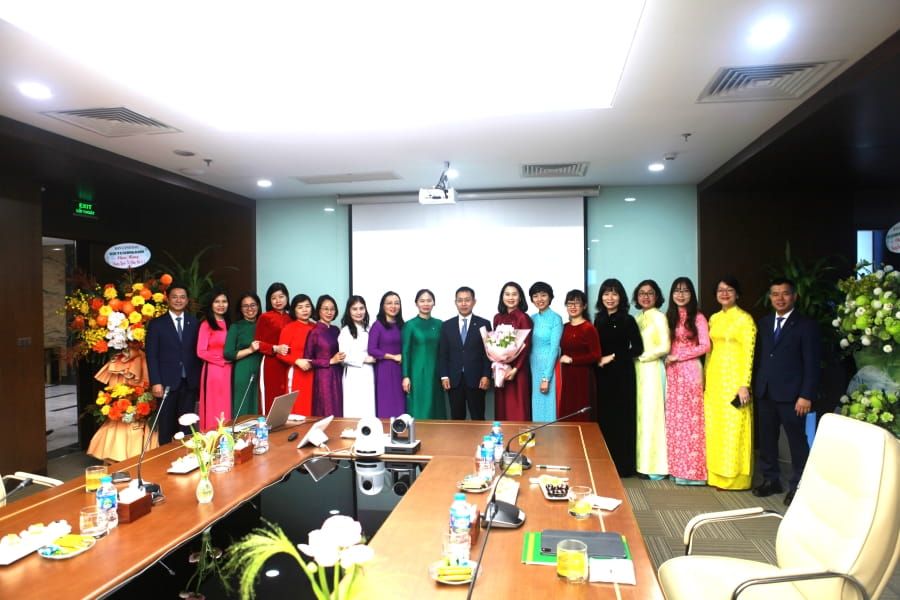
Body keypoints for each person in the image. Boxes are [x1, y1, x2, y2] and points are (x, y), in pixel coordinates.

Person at [753, 278, 821, 505]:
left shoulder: (806, 325)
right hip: (766, 392)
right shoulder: (764, 323)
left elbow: (812, 363)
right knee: (767, 440)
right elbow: (761, 357)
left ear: (794, 296)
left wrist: (806, 395)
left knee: (797, 442)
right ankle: (771, 480)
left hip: (793, 396)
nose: (780, 298)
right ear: (770, 297)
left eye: (784, 293)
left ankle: (799, 485)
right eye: (775, 294)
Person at [704, 276, 757, 491]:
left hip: (735, 382)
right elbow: (709, 352)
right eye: (720, 290)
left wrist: (744, 384)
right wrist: (705, 379)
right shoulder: (714, 318)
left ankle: (735, 479)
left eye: (729, 290)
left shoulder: (745, 319)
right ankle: (716, 476)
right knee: (715, 429)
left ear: (737, 294)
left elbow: (749, 353)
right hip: (715, 381)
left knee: (734, 429)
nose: (724, 294)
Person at [593, 278, 643, 477]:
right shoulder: (598, 319)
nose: (610, 298)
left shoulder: (628, 320)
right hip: (602, 375)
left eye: (614, 294)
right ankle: (605, 464)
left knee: (622, 420)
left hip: (622, 375)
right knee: (604, 419)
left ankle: (623, 467)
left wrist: (612, 356)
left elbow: (637, 349)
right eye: (606, 294)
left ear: (621, 297)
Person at [663, 277, 710, 485]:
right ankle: (677, 469)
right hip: (672, 373)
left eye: (685, 291)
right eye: (677, 290)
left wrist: (679, 356)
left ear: (692, 294)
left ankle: (694, 473)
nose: (680, 295)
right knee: (676, 422)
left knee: (692, 423)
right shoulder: (670, 316)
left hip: (690, 371)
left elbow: (705, 346)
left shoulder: (698, 317)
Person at [145, 281, 202, 444]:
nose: (179, 300)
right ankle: (165, 457)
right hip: (166, 384)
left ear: (187, 300)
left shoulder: (194, 323)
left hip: (189, 383)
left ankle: (187, 454)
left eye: (182, 297)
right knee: (166, 425)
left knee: (187, 426)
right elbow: (152, 355)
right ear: (168, 299)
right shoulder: (157, 324)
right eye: (175, 297)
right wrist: (156, 382)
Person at [633, 279, 671, 479]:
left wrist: (642, 357)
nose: (645, 297)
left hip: (652, 370)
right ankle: (641, 464)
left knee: (653, 417)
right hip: (637, 370)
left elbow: (665, 346)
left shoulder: (659, 317)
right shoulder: (638, 317)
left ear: (657, 296)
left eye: (650, 293)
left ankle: (655, 467)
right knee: (641, 417)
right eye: (642, 293)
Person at [438, 286, 492, 420]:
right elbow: (443, 354)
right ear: (455, 302)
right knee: (457, 418)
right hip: (454, 380)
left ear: (474, 302)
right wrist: (444, 376)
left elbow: (488, 353)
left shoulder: (484, 324)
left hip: (477, 380)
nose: (463, 304)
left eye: (467, 300)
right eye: (460, 300)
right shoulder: (447, 325)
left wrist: (486, 375)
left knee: (478, 418)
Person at [402, 289, 445, 419]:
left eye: (429, 300)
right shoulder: (410, 325)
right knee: (420, 408)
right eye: (422, 301)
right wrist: (405, 376)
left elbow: (444, 350)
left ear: (434, 303)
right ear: (416, 303)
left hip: (436, 373)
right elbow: (405, 352)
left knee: (436, 407)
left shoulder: (440, 324)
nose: (426, 304)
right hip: (417, 373)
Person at [493, 281, 533, 420]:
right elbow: (494, 342)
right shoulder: (497, 317)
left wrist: (515, 369)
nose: (511, 297)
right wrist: (498, 362)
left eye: (514, 294)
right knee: (502, 408)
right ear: (502, 297)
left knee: (518, 408)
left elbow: (526, 346)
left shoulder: (523, 318)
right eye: (507, 294)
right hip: (501, 369)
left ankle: (519, 434)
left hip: (518, 371)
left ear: (520, 297)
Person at [558, 289, 601, 421]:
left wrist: (572, 360)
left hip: (583, 376)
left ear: (584, 306)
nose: (573, 306)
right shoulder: (565, 327)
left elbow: (596, 355)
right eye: (570, 303)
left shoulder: (589, 328)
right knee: (567, 412)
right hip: (567, 376)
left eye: (577, 303)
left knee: (581, 413)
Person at [196, 288, 232, 430]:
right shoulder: (206, 325)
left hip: (230, 370)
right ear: (211, 304)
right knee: (214, 406)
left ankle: (227, 438)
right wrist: (221, 360)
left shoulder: (230, 324)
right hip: (213, 371)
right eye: (217, 301)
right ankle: (212, 437)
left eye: (224, 301)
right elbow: (201, 352)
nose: (221, 305)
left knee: (227, 405)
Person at [304, 295, 345, 416]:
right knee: (327, 410)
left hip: (338, 374)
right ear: (319, 310)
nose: (329, 312)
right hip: (323, 377)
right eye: (326, 309)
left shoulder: (336, 330)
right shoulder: (314, 332)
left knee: (339, 408)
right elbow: (308, 360)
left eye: (332, 309)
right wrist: (330, 361)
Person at [223, 291, 262, 421]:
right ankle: (241, 432)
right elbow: (228, 353)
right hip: (244, 369)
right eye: (245, 306)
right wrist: (250, 350)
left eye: (253, 305)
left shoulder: (264, 324)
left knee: (260, 405)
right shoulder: (236, 327)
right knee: (243, 405)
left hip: (262, 370)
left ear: (258, 306)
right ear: (240, 309)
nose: (250, 309)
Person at [528, 281, 563, 422]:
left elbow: (554, 349)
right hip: (532, 366)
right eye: (535, 296)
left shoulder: (556, 318)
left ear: (550, 297)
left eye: (543, 295)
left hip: (548, 366)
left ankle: (551, 436)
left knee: (548, 406)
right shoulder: (531, 319)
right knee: (536, 407)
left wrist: (546, 378)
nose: (539, 299)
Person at [255, 282, 291, 414]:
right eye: (273, 298)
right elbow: (258, 343)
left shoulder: (291, 317)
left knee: (287, 397)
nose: (278, 301)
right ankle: (268, 425)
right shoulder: (265, 317)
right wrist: (275, 348)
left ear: (287, 297)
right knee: (271, 398)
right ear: (269, 300)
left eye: (281, 296)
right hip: (271, 363)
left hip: (288, 363)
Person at [368, 291, 405, 418]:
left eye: (396, 303)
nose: (393, 306)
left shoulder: (403, 326)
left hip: (401, 370)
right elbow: (372, 349)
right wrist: (393, 356)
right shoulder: (377, 326)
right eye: (389, 303)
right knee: (386, 404)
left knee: (401, 405)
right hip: (384, 370)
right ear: (383, 306)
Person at [277, 294, 315, 415]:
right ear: (294, 310)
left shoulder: (316, 327)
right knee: (298, 409)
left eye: (307, 306)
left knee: (313, 408)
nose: (304, 310)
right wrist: (297, 361)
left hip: (315, 374)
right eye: (300, 307)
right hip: (298, 374)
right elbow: (281, 354)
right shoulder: (289, 328)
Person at [338, 295, 376, 418]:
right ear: (349, 311)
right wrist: (364, 358)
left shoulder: (369, 328)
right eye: (354, 309)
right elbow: (343, 356)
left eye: (361, 308)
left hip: (369, 372)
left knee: (369, 406)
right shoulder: (346, 331)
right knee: (355, 407)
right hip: (354, 374)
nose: (359, 312)